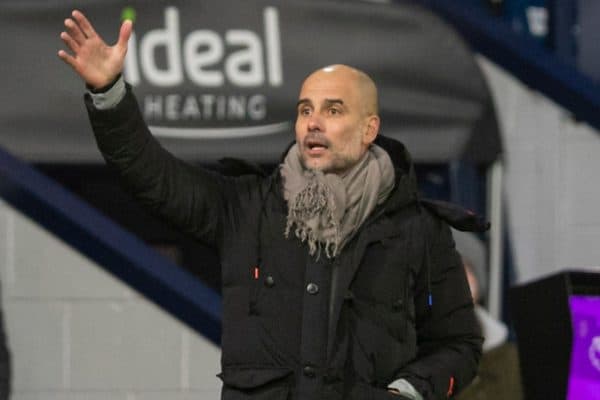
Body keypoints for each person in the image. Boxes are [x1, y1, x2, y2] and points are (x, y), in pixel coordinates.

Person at [58, 10, 483, 400]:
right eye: (304, 110)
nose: (313, 122)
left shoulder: (420, 230)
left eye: (333, 110)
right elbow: (152, 175)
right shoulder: (248, 208)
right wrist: (109, 93)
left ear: (369, 127)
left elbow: (460, 345)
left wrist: (408, 392)